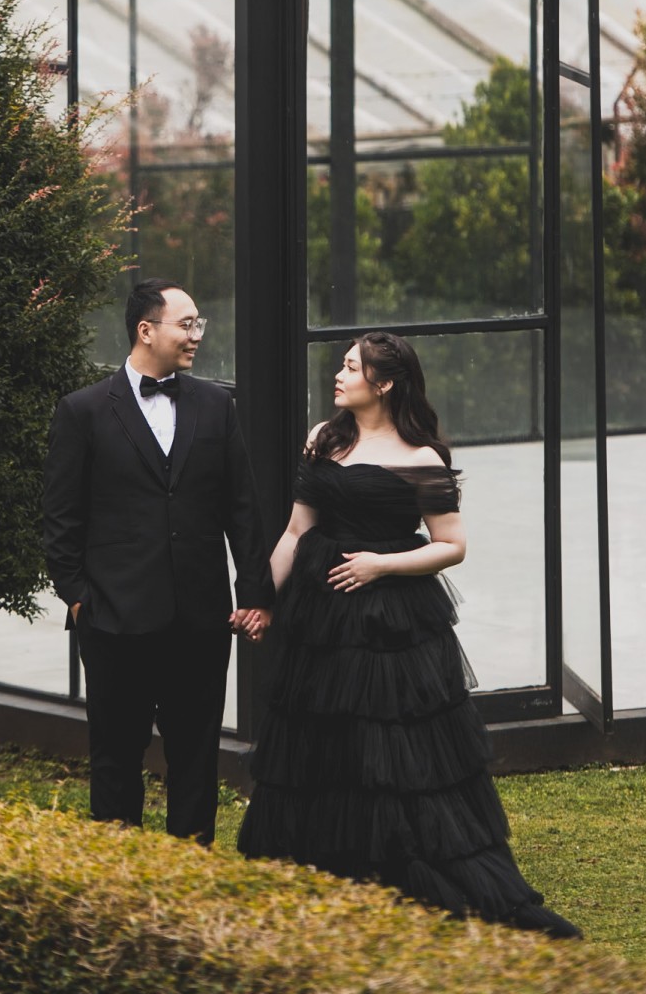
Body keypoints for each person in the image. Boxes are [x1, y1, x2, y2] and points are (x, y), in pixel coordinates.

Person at [238, 330, 579, 938]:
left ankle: (398, 866)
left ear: (385, 383)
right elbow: (295, 532)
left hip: (391, 623)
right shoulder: (324, 438)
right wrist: (261, 599)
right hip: (321, 620)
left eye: (351, 367)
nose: (338, 375)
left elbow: (452, 545)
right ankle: (329, 869)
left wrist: (380, 565)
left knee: (393, 748)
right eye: (342, 365)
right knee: (324, 739)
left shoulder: (422, 459)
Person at [44, 278, 274, 843]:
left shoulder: (217, 406)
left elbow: (242, 509)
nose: (196, 335)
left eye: (199, 324)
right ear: (146, 330)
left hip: (200, 621)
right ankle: (119, 873)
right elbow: (62, 517)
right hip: (113, 620)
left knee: (196, 757)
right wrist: (78, 599)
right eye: (186, 324)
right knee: (115, 757)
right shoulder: (83, 411)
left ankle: (189, 873)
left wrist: (255, 594)